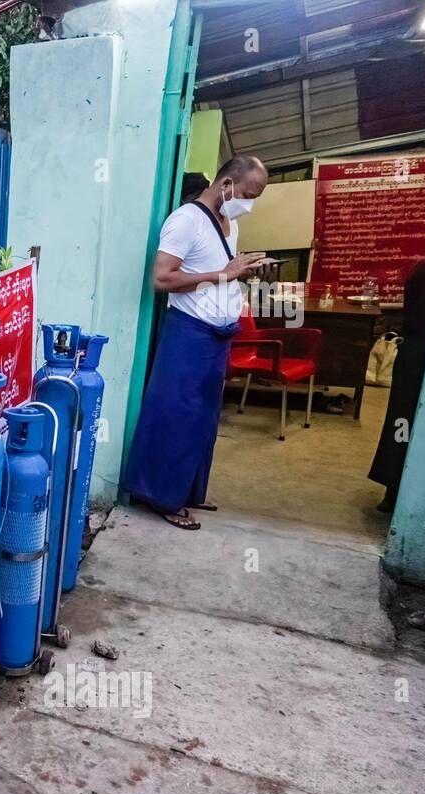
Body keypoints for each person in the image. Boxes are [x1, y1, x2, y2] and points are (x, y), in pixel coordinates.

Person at [124, 155, 278, 530]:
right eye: (247, 194)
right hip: (189, 333)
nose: (249, 203)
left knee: (204, 420)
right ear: (226, 184)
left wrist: (245, 269)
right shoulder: (186, 220)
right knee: (178, 416)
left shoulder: (228, 223)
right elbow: (161, 279)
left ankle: (188, 491)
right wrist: (225, 272)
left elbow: (217, 273)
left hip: (217, 336)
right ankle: (162, 497)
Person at [369, 212, 425, 512]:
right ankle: (418, 495)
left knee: (401, 421)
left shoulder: (424, 267)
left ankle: (392, 490)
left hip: (413, 353)